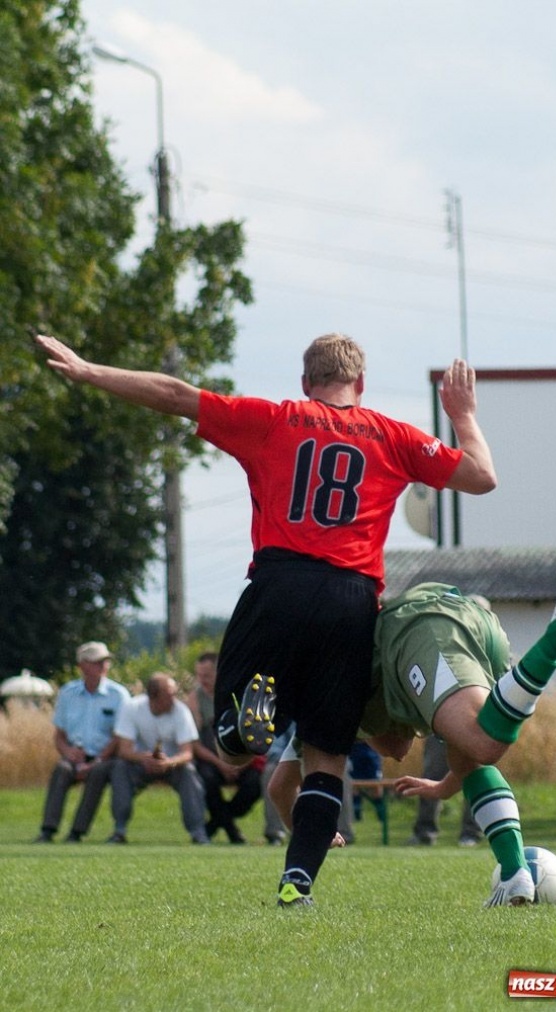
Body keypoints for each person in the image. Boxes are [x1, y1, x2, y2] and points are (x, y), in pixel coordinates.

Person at [37, 331, 496, 907]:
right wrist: (464, 414)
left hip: (280, 585)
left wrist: (89, 370)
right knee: (327, 756)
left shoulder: (275, 420)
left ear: (306, 383)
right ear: (361, 384)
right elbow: (482, 476)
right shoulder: (395, 436)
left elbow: (177, 395)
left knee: (233, 739)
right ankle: (297, 880)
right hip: (351, 601)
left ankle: (239, 727)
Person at [268, 584, 556, 905]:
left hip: (421, 626)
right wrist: (445, 786)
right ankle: (514, 874)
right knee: (477, 751)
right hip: (481, 631)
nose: (401, 751)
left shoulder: (333, 705)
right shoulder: (416, 703)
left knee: (482, 739)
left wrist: (310, 833)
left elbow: (281, 785)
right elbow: (465, 763)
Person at [33, 641, 129, 843]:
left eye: (105, 661)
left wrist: (97, 760)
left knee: (96, 774)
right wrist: (68, 752)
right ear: (83, 666)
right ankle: (48, 829)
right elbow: (59, 735)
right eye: (97, 662)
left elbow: (120, 736)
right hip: (75, 754)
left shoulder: (118, 695)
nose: (103, 666)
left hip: (106, 757)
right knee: (61, 770)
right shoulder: (68, 693)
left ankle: (77, 832)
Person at [108, 673, 209, 844]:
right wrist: (144, 758)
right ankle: (119, 830)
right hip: (139, 765)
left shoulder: (181, 711)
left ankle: (198, 832)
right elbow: (124, 751)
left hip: (172, 765)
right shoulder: (132, 708)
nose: (175, 698)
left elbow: (187, 753)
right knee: (120, 768)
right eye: (170, 694)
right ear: (155, 696)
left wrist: (168, 762)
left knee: (189, 772)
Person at [186, 652, 263, 844]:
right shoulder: (195, 699)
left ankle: (213, 826)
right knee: (207, 780)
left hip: (242, 760)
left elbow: (258, 737)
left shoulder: (242, 696)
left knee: (255, 784)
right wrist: (221, 764)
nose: (201, 680)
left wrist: (239, 763)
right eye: (199, 675)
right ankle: (232, 832)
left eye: (207, 676)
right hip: (211, 760)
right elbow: (194, 743)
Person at [405, 734, 482, 847]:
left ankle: (471, 834)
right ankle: (424, 833)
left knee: (476, 778)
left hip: (476, 726)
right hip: (440, 727)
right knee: (431, 776)